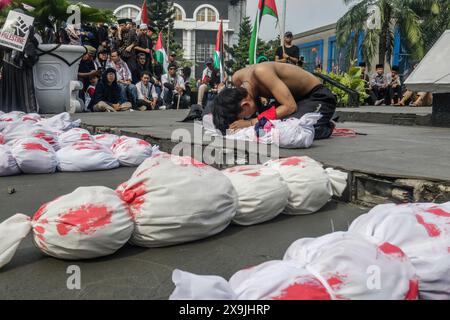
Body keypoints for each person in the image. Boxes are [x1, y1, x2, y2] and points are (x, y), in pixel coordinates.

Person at [211, 62, 337, 140]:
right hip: (294, 100)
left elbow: (290, 107)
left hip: (316, 97)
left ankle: (325, 126)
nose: (245, 119)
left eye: (243, 117)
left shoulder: (261, 72)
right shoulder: (237, 78)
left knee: (296, 130)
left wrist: (251, 122)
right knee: (271, 124)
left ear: (245, 105)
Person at [0, 22, 40, 113]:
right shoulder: (7, 30)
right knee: (11, 91)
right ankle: (10, 110)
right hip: (9, 64)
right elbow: (4, 47)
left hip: (22, 65)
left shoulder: (30, 30)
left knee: (25, 91)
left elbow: (35, 44)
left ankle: (26, 111)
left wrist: (27, 38)